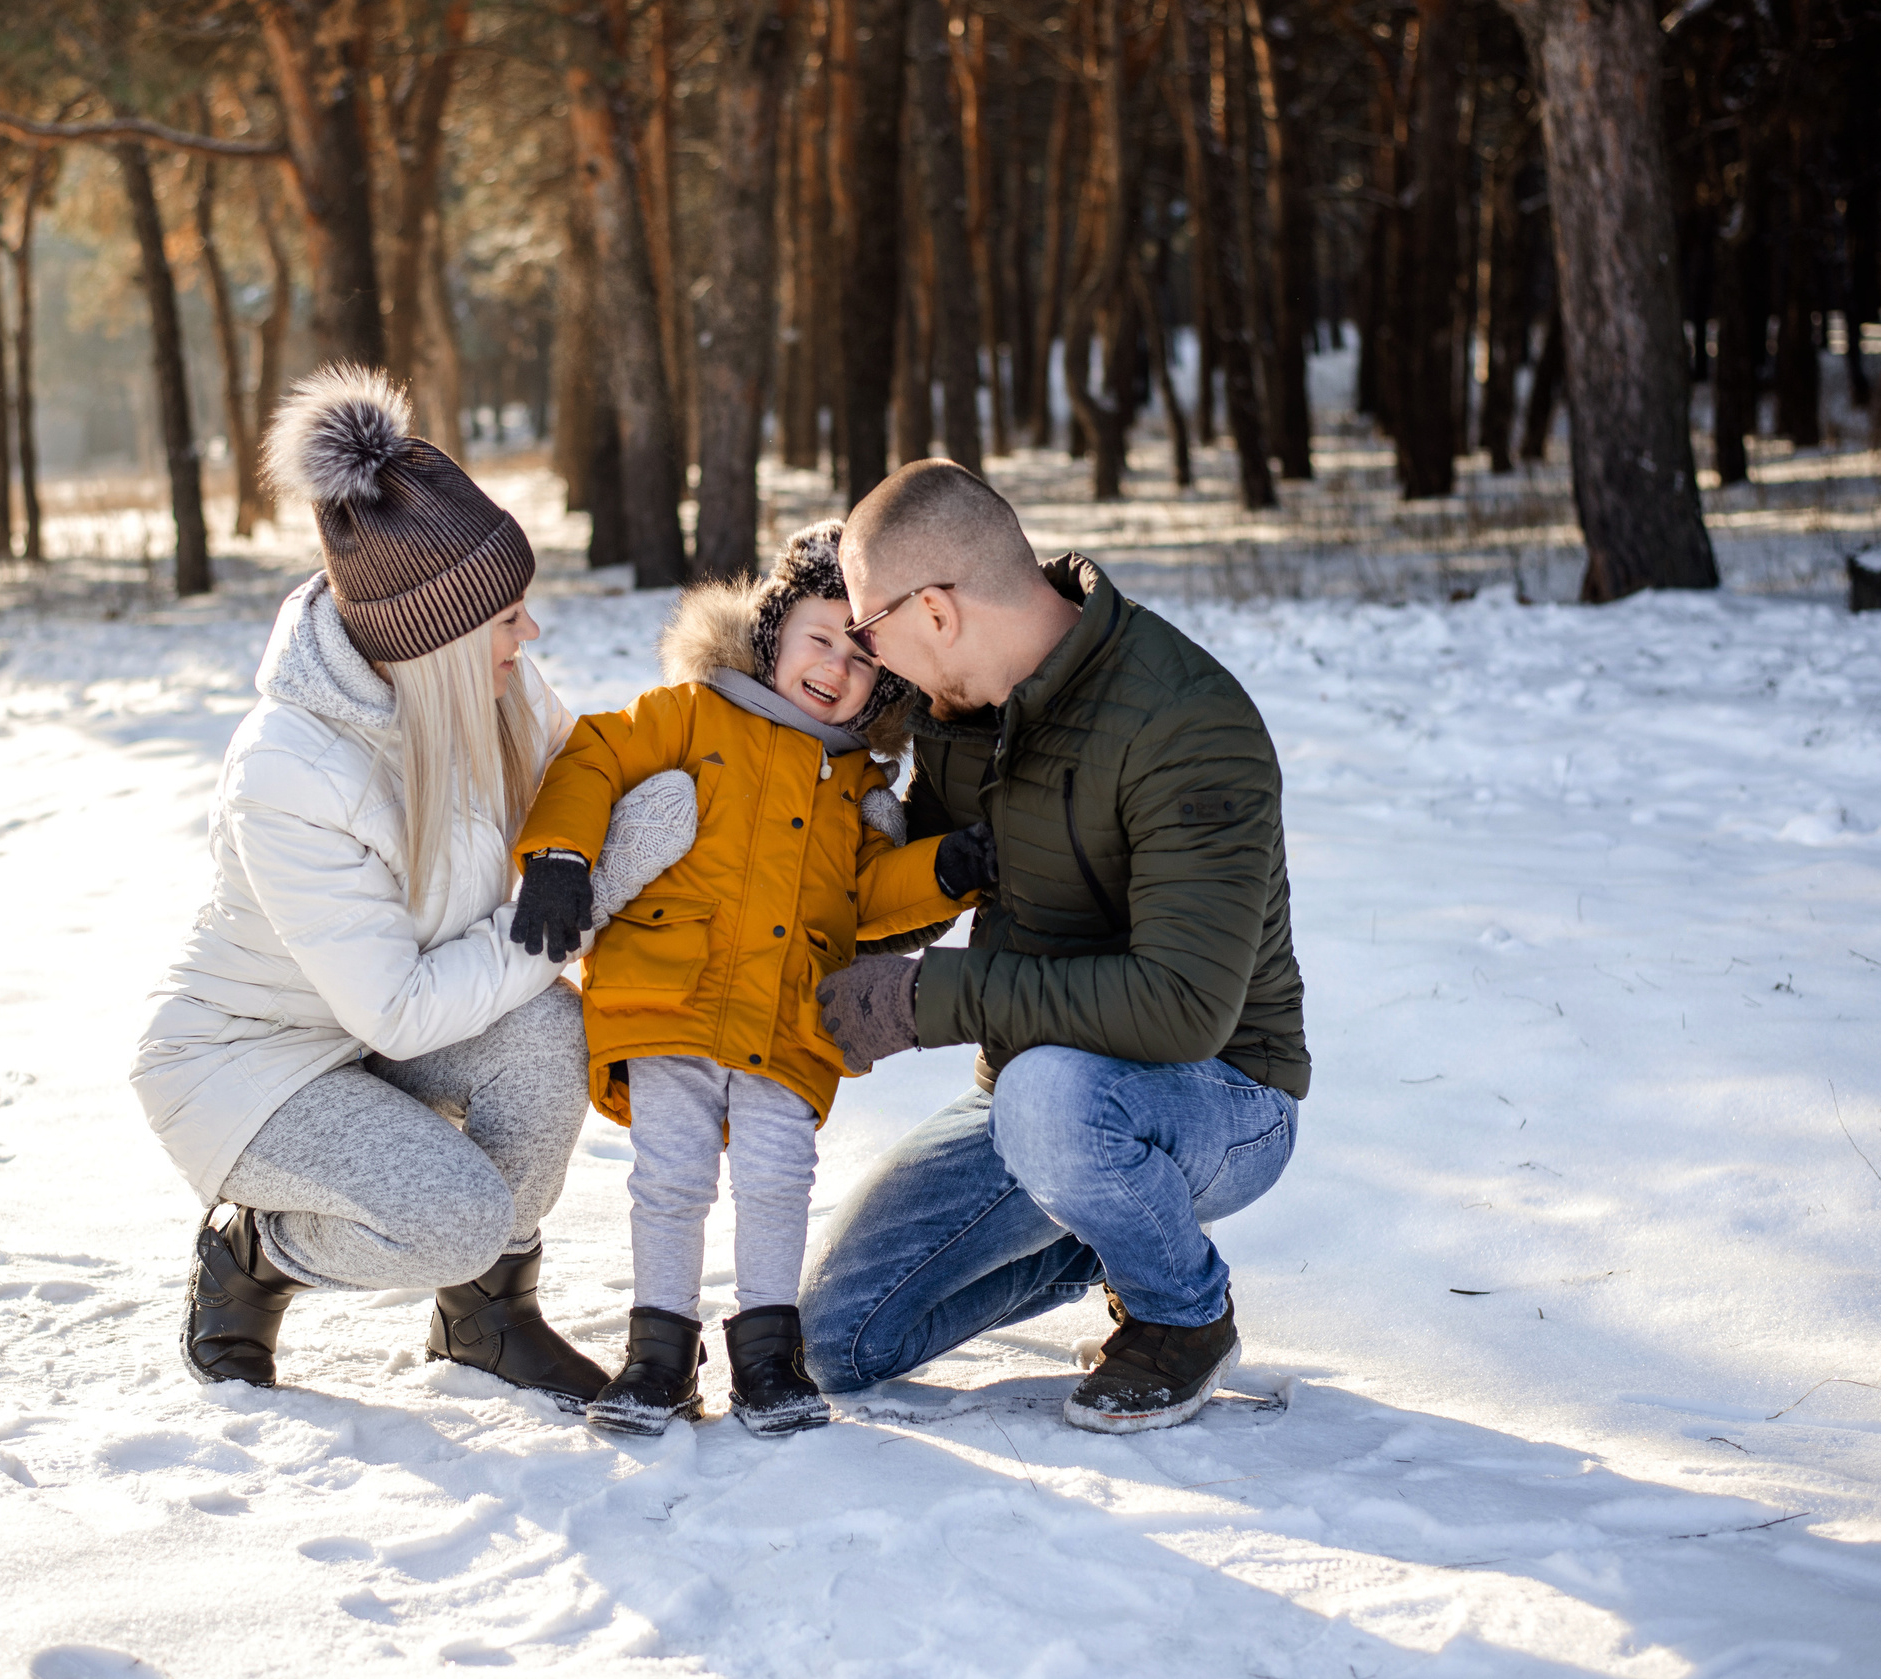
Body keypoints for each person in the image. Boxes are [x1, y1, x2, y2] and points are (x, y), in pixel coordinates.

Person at [131, 366, 693, 1406]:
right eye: (510, 617)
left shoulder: (498, 686)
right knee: (448, 1212)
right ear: (437, 637)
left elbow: (592, 774)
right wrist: (567, 913)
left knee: (551, 1044)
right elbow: (393, 1000)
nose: (531, 639)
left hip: (380, 1030)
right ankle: (255, 1250)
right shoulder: (289, 769)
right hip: (253, 1062)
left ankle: (489, 1314)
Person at [805, 459, 1310, 1434]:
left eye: (872, 631)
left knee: (1051, 1097)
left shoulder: (1186, 722)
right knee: (839, 1339)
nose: (873, 659)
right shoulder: (961, 713)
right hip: (1036, 1096)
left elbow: (1179, 1008)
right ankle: (1107, 1226)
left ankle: (1180, 1313)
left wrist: (924, 1001)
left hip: (1219, 1092)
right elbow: (910, 898)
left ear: (938, 612)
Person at [505, 523, 985, 1437]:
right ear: (773, 632)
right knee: (671, 1176)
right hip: (669, 993)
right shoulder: (691, 712)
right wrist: (561, 852)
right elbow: (594, 754)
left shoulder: (856, 784)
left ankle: (768, 1351)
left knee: (777, 1175)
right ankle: (660, 1352)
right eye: (819, 638)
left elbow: (861, 900)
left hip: (788, 1011)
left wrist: (943, 868)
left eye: (861, 659)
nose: (837, 669)